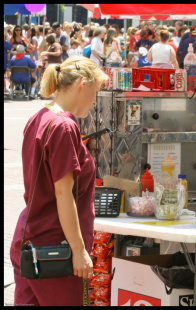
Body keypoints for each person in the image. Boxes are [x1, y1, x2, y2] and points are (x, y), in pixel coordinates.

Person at [10, 56, 109, 306]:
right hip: (55, 249)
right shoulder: (64, 126)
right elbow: (63, 193)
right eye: (95, 92)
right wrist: (78, 249)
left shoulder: (40, 118)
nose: (95, 101)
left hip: (30, 239)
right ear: (82, 84)